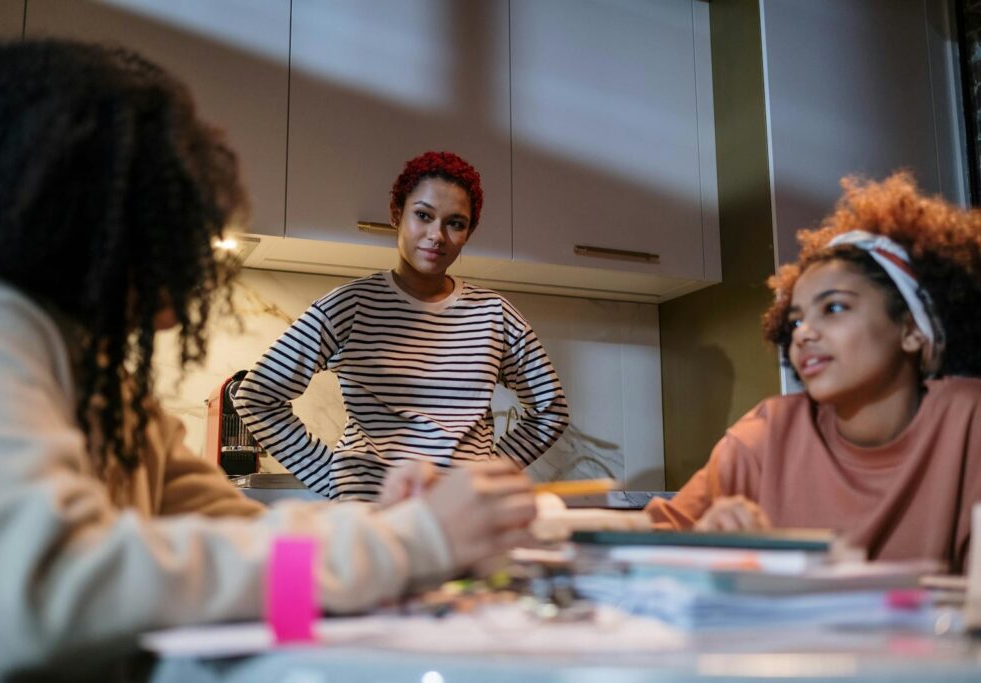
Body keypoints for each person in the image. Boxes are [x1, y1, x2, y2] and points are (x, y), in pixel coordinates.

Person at [0, 39, 537, 681]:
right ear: (91, 217)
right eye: (175, 224)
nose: (189, 278)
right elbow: (38, 599)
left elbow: (251, 553)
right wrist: (412, 541)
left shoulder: (105, 386)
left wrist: (399, 531)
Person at [645, 173, 981, 573]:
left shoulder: (968, 419)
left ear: (910, 330)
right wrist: (704, 542)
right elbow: (641, 547)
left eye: (834, 308)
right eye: (796, 321)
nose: (804, 334)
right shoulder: (766, 434)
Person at [234, 151, 570, 501]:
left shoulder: (495, 315)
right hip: (371, 516)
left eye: (455, 223)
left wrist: (487, 477)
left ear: (469, 232)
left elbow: (551, 411)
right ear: (396, 213)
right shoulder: (349, 306)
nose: (437, 235)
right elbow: (257, 396)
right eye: (423, 215)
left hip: (462, 515)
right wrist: (333, 478)